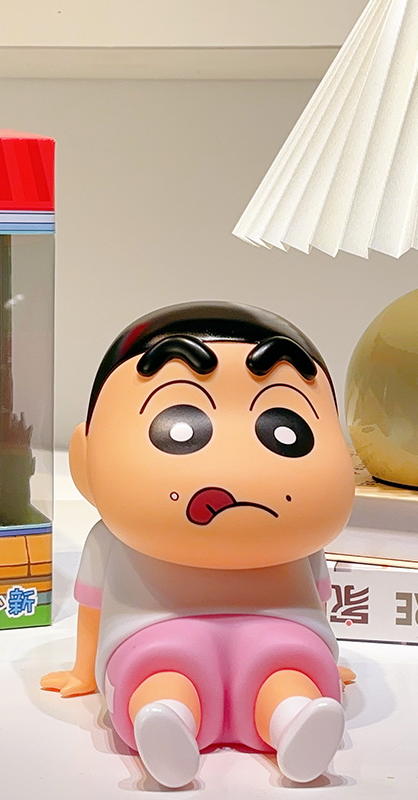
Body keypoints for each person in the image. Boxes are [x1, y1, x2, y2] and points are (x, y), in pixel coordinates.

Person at [41, 302, 356, 788]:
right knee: (159, 673)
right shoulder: (112, 540)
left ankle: (296, 719)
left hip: (283, 630)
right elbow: (93, 606)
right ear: (85, 461)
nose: (238, 465)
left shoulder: (301, 546)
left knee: (288, 668)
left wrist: (328, 662)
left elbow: (318, 597)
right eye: (180, 429)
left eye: (285, 430)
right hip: (153, 633)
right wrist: (84, 670)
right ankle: (167, 724)